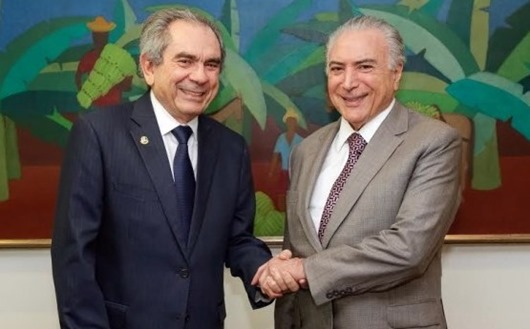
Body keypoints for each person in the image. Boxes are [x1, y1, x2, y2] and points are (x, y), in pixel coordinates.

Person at [51, 8, 281, 329]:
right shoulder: (99, 134)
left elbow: (237, 238)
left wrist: (265, 270)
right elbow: (74, 256)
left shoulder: (231, 149)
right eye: (185, 61)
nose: (200, 76)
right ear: (149, 66)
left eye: (211, 64)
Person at [253, 15, 462, 329]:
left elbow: (408, 249)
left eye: (365, 67)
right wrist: (284, 280)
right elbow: (295, 249)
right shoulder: (306, 150)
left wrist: (304, 270)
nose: (348, 82)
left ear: (396, 72)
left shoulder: (434, 142)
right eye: (337, 68)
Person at [75, 16, 132, 107]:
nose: (98, 38)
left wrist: (113, 81)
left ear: (106, 36)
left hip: (113, 106)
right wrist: (85, 94)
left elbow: (128, 86)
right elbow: (78, 76)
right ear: (93, 36)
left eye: (101, 35)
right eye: (97, 35)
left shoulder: (117, 56)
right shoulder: (88, 57)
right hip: (96, 107)